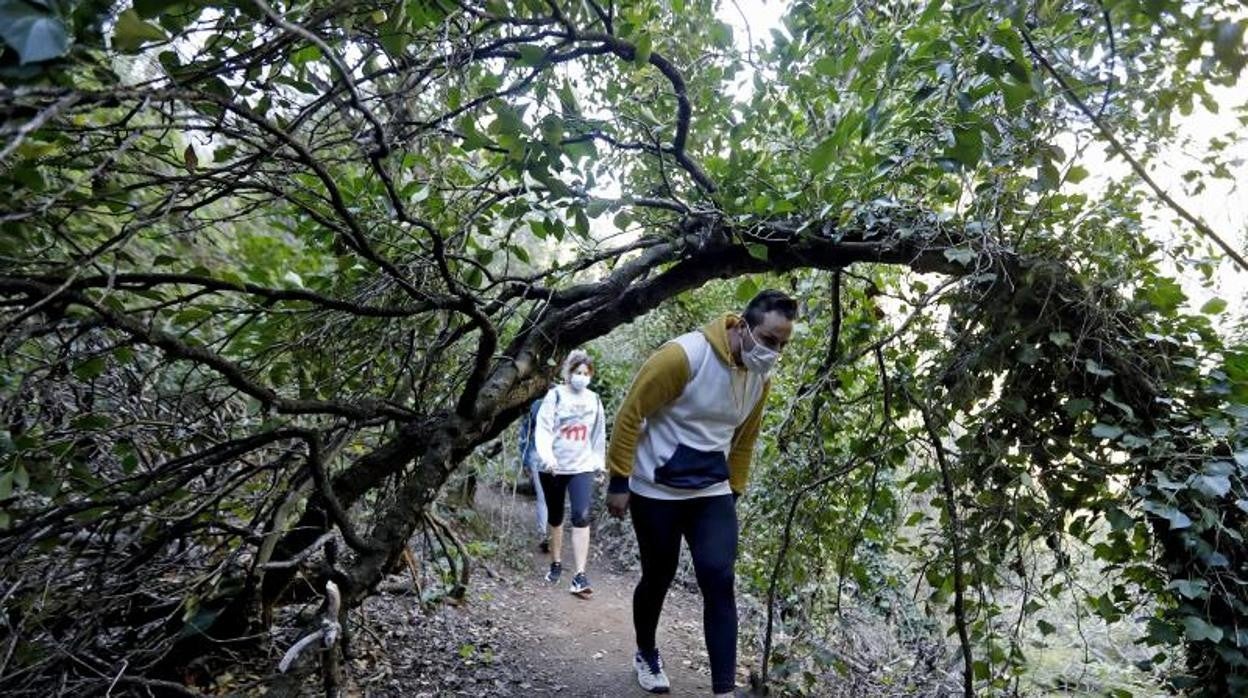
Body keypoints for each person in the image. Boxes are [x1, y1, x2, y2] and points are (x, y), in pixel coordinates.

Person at [605, 290, 796, 696]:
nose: (774, 351)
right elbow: (630, 412)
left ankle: (723, 691)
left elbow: (744, 440)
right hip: (656, 487)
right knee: (659, 575)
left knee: (719, 576)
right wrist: (619, 480)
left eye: (782, 345)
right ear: (743, 326)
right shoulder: (683, 357)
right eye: (768, 340)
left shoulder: (759, 379)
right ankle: (646, 652)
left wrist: (735, 492)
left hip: (711, 489)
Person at [533, 349, 607, 597]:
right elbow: (542, 429)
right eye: (578, 372)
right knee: (555, 516)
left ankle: (580, 574)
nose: (582, 377)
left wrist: (598, 462)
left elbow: (598, 434)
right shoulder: (555, 396)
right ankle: (555, 563)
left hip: (581, 466)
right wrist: (547, 457)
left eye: (586, 373)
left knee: (581, 515)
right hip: (553, 467)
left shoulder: (594, 400)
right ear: (569, 373)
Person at [517, 398, 550, 552]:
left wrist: (524, 461)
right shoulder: (563, 404)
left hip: (536, 454)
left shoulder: (535, 405)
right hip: (555, 456)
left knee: (543, 496)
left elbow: (524, 434)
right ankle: (549, 533)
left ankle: (543, 533)